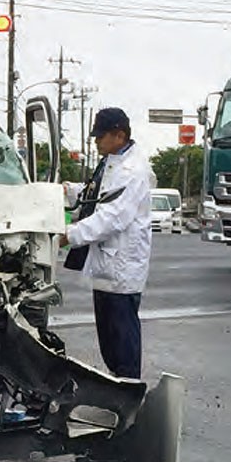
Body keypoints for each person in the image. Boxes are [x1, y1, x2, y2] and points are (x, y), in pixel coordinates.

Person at [62, 107, 154, 379]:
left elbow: (113, 216)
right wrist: (71, 191)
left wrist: (70, 235)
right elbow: (99, 192)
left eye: (100, 136)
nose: (96, 141)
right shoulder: (113, 160)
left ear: (119, 134)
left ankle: (128, 394)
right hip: (107, 264)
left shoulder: (132, 170)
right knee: (109, 337)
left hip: (121, 267)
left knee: (122, 339)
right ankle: (117, 388)